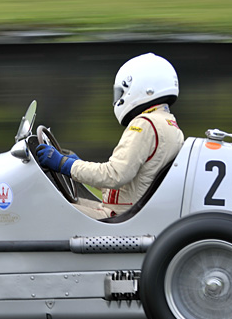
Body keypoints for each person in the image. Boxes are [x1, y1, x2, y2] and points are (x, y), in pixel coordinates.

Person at [35, 53, 185, 220]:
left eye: (122, 91)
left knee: (43, 207)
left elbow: (115, 175)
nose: (119, 99)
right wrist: (76, 164)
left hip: (118, 217)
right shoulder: (170, 124)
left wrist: (65, 164)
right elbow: (131, 183)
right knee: (56, 200)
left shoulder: (145, 124)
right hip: (129, 211)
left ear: (143, 87)